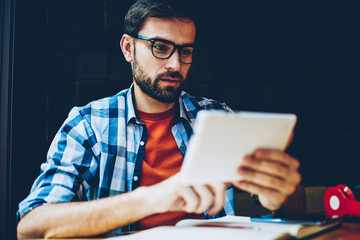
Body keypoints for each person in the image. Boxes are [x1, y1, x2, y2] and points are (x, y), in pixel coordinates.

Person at [17, 0, 305, 238]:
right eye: (160, 47)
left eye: (186, 51)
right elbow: (30, 228)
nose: (175, 64)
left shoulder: (220, 119)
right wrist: (152, 198)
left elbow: (295, 209)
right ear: (128, 48)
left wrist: (279, 196)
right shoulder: (88, 124)